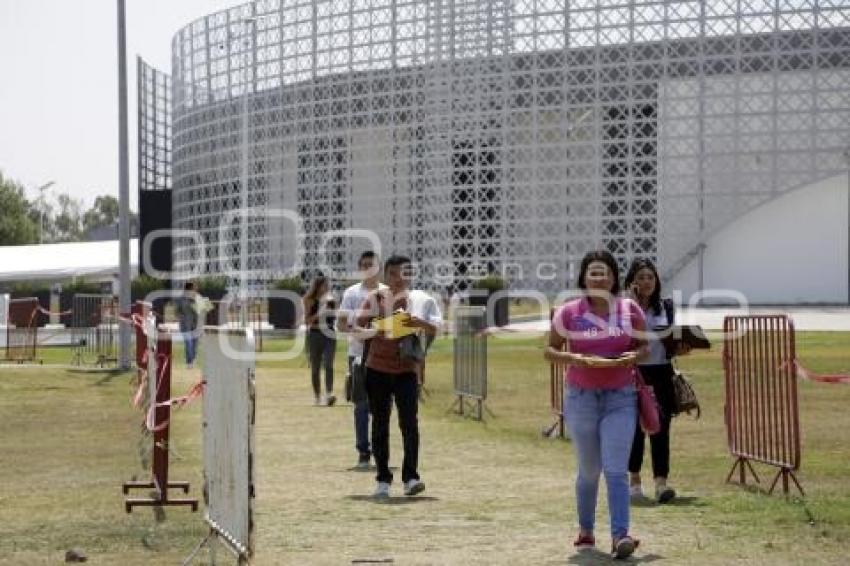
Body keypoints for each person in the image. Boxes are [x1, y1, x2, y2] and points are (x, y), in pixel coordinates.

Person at [544, 250, 648, 560]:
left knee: (616, 470)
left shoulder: (629, 310)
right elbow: (550, 350)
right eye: (593, 273)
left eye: (604, 272)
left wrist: (633, 357)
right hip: (582, 398)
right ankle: (586, 530)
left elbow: (644, 346)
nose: (599, 277)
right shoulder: (569, 312)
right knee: (589, 470)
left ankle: (620, 536)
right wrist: (576, 358)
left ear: (614, 277)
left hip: (621, 398)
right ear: (584, 278)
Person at [355, 255, 441, 499]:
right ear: (386, 275)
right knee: (380, 423)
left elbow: (436, 328)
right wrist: (379, 327)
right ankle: (383, 478)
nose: (399, 279)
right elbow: (356, 328)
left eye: (405, 273)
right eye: (393, 274)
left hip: (406, 371)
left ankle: (411, 477)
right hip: (378, 369)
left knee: (409, 424)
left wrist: (418, 322)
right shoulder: (375, 298)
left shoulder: (422, 300)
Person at [625, 258, 690, 504]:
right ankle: (634, 481)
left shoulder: (666, 306)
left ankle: (661, 483)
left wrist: (680, 349)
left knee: (661, 427)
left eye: (650, 277)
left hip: (661, 371)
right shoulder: (624, 308)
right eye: (640, 277)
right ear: (632, 281)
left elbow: (669, 342)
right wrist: (631, 304)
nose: (646, 282)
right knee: (634, 429)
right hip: (635, 373)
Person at [338, 251, 386, 469]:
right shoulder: (351, 293)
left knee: (382, 406)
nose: (368, 268)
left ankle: (380, 449)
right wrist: (356, 329)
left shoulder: (387, 293)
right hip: (357, 354)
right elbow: (340, 324)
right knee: (361, 405)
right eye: (364, 265)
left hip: (383, 356)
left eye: (372, 264)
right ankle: (363, 451)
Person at [303, 275, 337, 406]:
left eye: (328, 285)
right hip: (315, 334)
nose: (327, 288)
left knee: (328, 365)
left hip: (329, 334)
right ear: (317, 286)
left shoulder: (331, 300)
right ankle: (317, 395)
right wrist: (320, 313)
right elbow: (307, 321)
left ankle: (329, 393)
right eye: (324, 285)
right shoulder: (309, 300)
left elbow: (335, 316)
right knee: (315, 368)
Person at [175, 281, 200, 368]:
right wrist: (180, 316)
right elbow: (177, 311)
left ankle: (193, 360)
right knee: (188, 343)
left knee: (195, 344)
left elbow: (204, 310)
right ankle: (189, 362)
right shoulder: (181, 299)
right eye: (194, 288)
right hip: (185, 325)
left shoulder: (197, 297)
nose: (195, 289)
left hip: (196, 325)